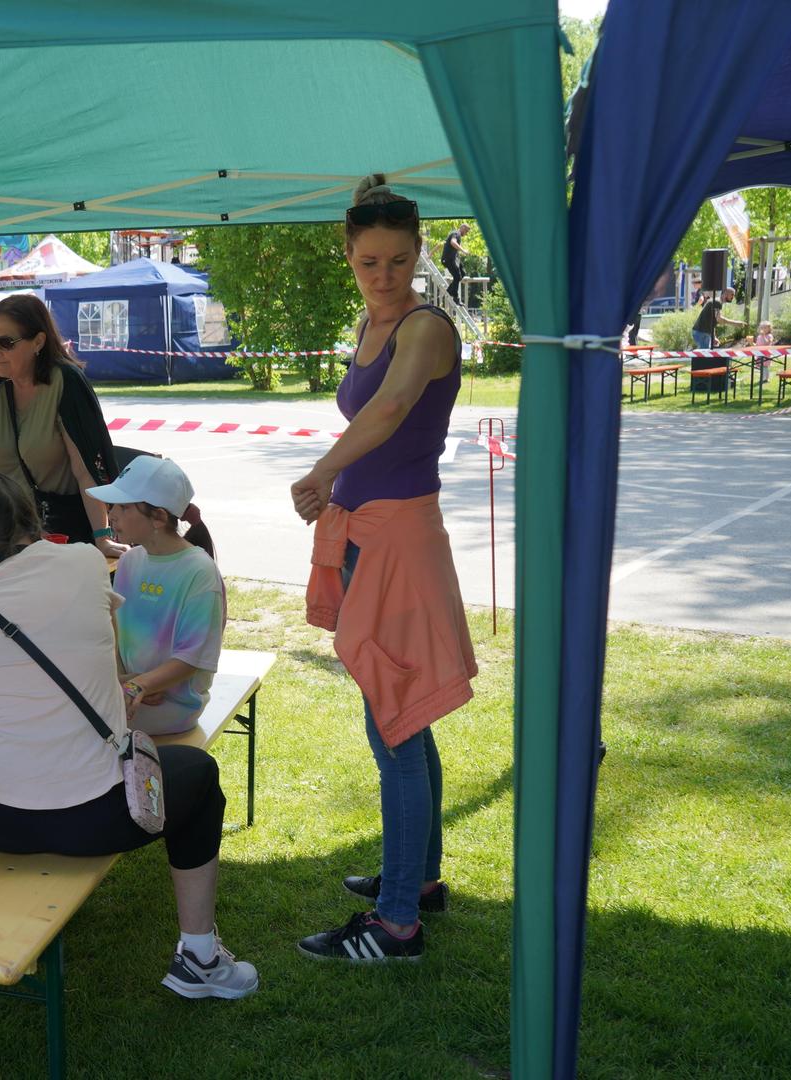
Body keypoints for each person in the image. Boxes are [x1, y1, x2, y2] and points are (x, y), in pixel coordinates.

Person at [0, 472, 259, 1000]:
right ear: (31, 521)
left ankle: (200, 958)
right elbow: (105, 659)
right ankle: (199, 957)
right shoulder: (86, 562)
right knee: (198, 775)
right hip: (94, 815)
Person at [287, 174, 478, 962]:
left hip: (399, 539)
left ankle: (398, 921)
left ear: (418, 253)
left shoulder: (426, 327)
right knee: (404, 719)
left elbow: (393, 408)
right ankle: (420, 878)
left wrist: (324, 471)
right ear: (350, 256)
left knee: (393, 723)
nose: (385, 275)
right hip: (369, 536)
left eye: (398, 260)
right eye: (370, 262)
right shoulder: (371, 324)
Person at [0, 293, 120, 554]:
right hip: (3, 534)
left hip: (64, 536)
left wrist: (102, 537)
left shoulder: (66, 382)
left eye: (5, 342)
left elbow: (87, 470)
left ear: (38, 341)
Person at [84, 455, 225, 738]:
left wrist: (139, 686)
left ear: (159, 517)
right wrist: (121, 679)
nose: (111, 514)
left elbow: (193, 658)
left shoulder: (199, 572)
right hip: (131, 693)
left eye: (123, 507)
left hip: (173, 707)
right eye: (112, 505)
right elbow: (116, 631)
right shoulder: (129, 561)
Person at [439, 223, 471, 294]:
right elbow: (453, 242)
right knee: (457, 276)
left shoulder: (457, 235)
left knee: (462, 273)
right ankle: (454, 296)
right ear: (462, 228)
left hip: (452, 259)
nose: (466, 234)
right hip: (447, 260)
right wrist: (463, 250)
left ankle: (449, 291)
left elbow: (453, 248)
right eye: (466, 231)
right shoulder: (456, 233)